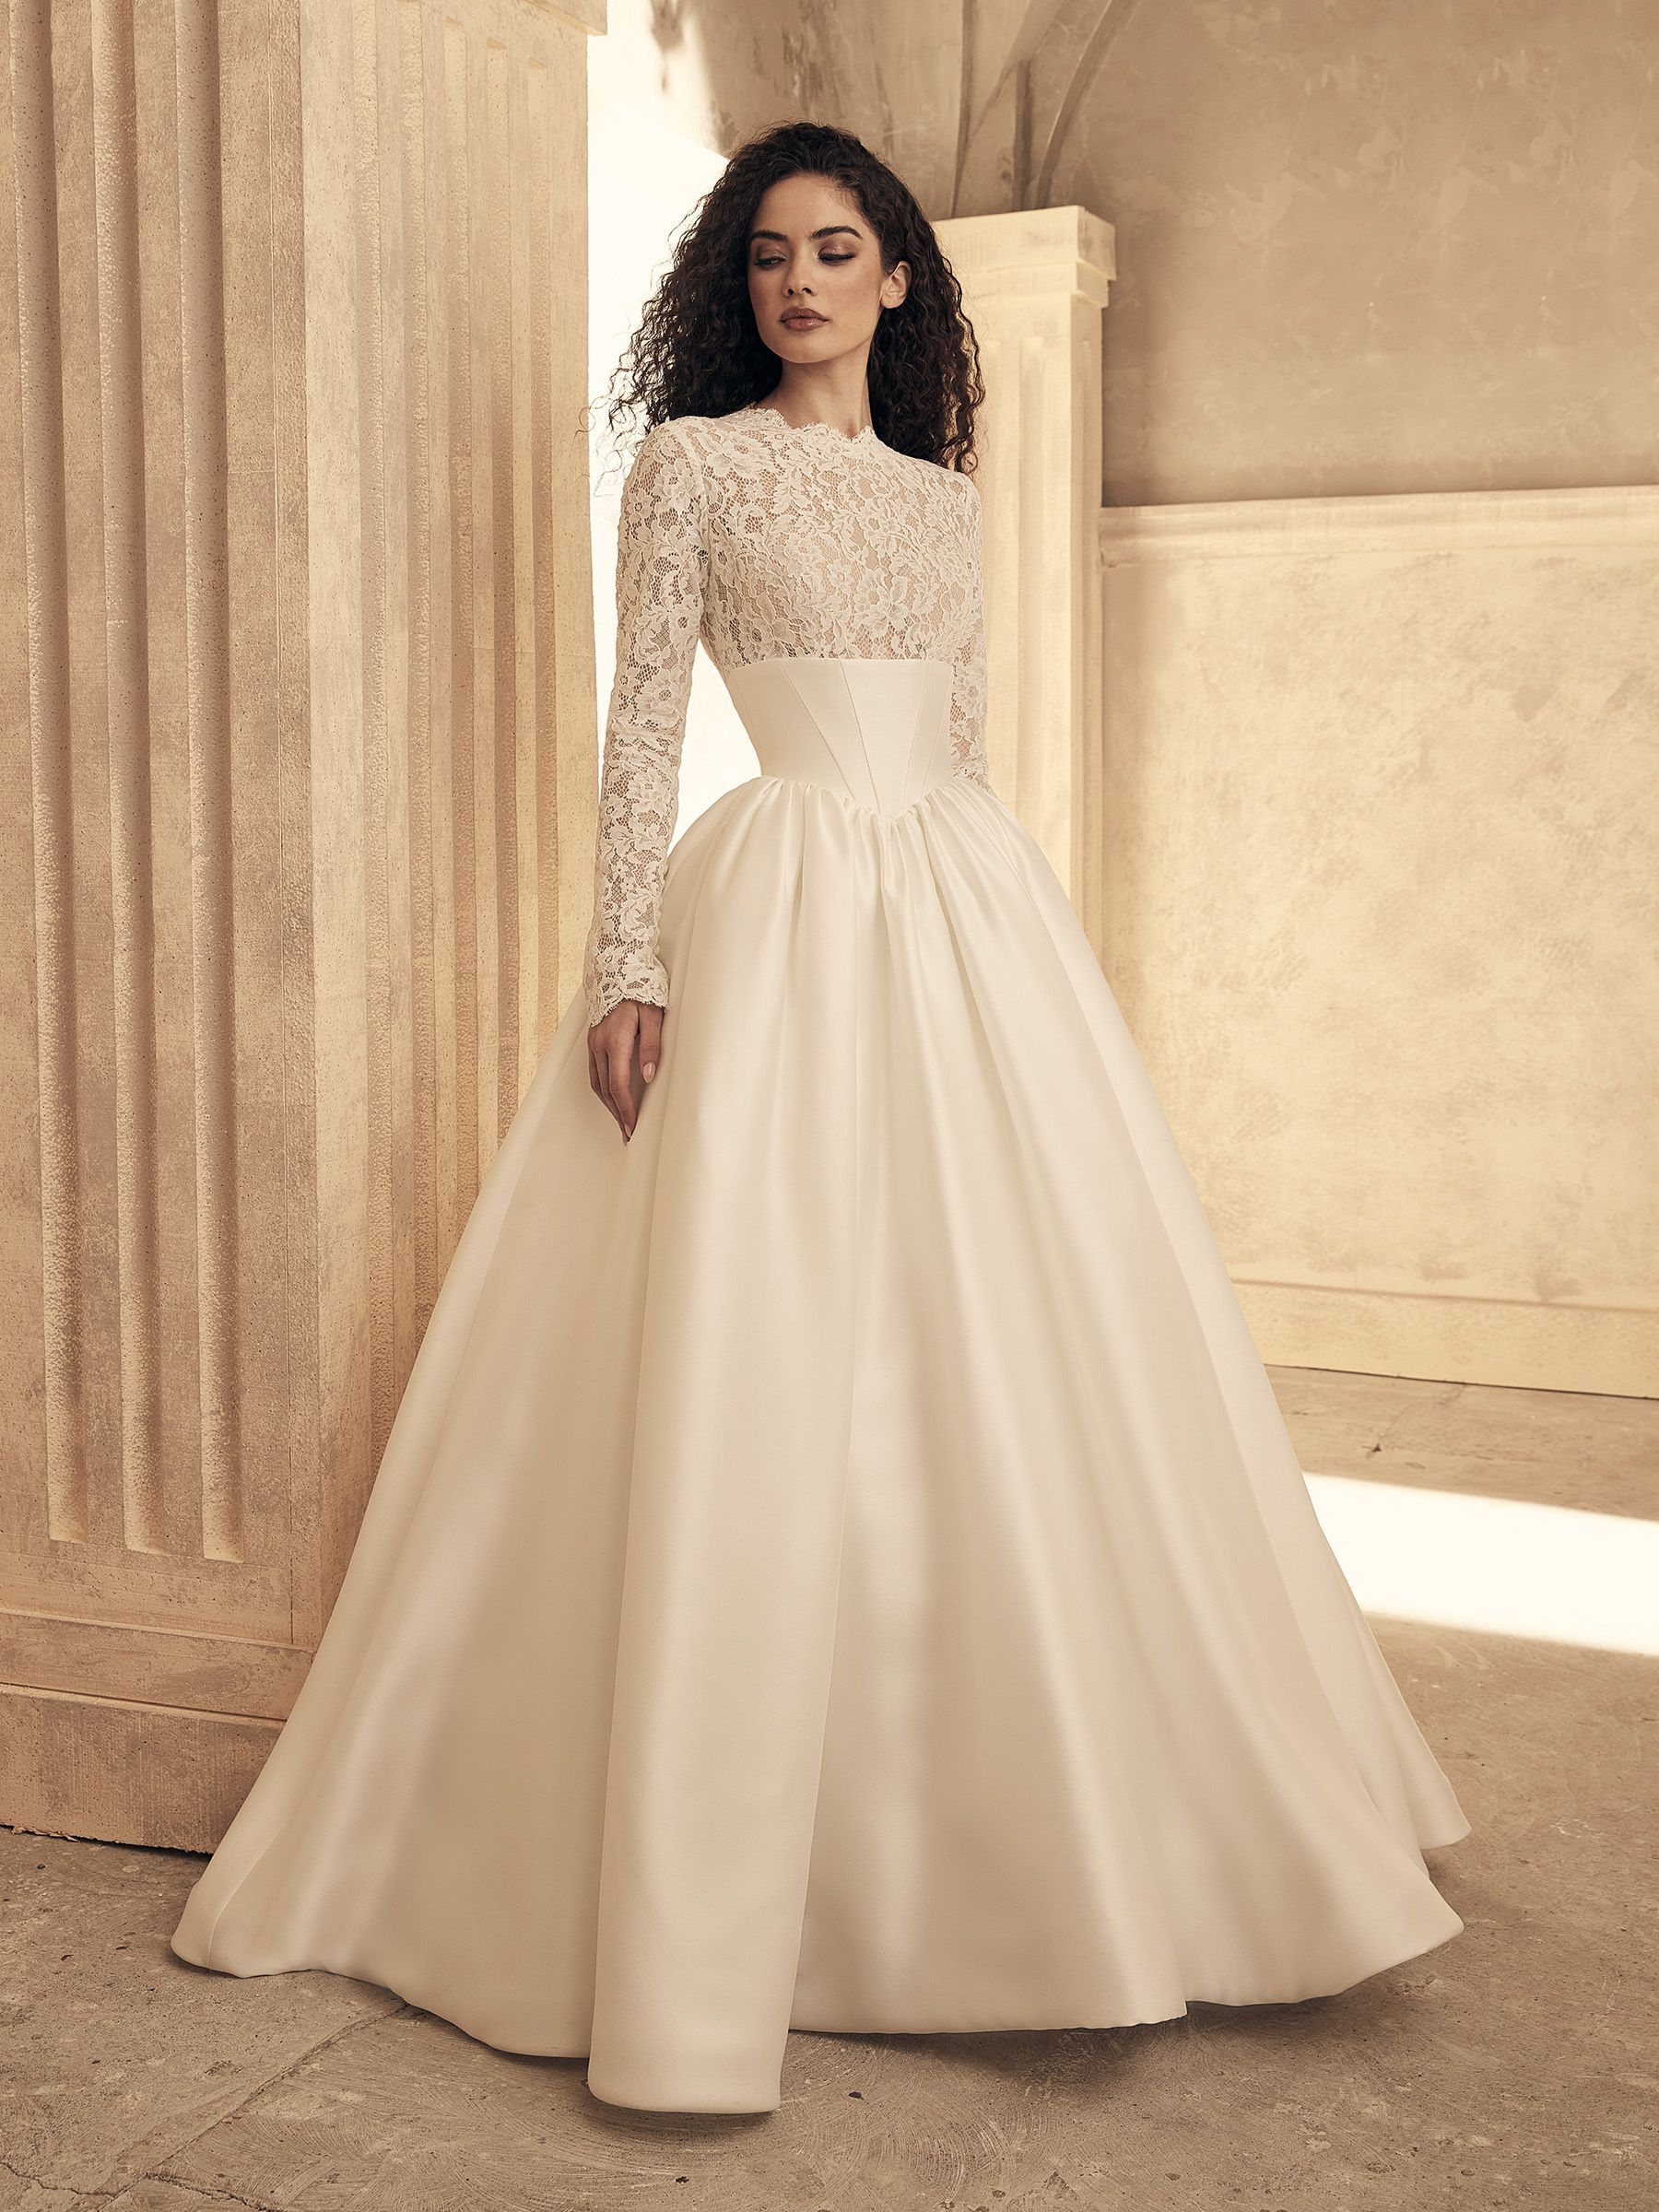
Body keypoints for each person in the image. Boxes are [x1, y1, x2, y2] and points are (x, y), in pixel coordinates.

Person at [170, 121, 1470, 2117]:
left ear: (895, 280)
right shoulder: (693, 465)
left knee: (1012, 1338)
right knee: (747, 1331)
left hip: (960, 908)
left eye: (836, 249)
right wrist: (627, 958)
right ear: (741, 283)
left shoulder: (947, 500)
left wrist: (1009, 947)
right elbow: (643, 720)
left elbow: (961, 738)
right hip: (769, 904)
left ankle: (1074, 1825)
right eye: (770, 253)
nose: (799, 281)